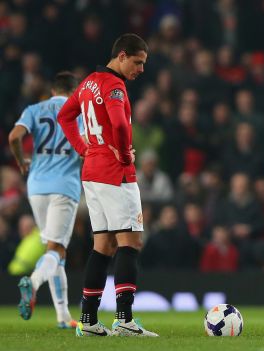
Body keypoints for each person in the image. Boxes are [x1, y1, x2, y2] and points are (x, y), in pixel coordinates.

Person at [57, 33, 157, 337]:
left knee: (103, 246)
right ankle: (124, 319)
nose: (141, 69)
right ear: (123, 55)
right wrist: (126, 153)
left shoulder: (88, 83)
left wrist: (82, 147)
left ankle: (88, 321)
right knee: (130, 243)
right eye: (138, 62)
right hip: (116, 172)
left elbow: (65, 115)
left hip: (92, 171)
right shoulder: (114, 85)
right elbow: (120, 124)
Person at [9, 72, 81, 329]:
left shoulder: (34, 109)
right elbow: (87, 148)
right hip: (64, 186)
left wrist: (20, 161)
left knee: (55, 251)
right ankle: (34, 281)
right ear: (74, 92)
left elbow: (14, 137)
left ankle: (62, 316)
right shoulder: (78, 112)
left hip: (36, 186)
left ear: (53, 90)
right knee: (56, 249)